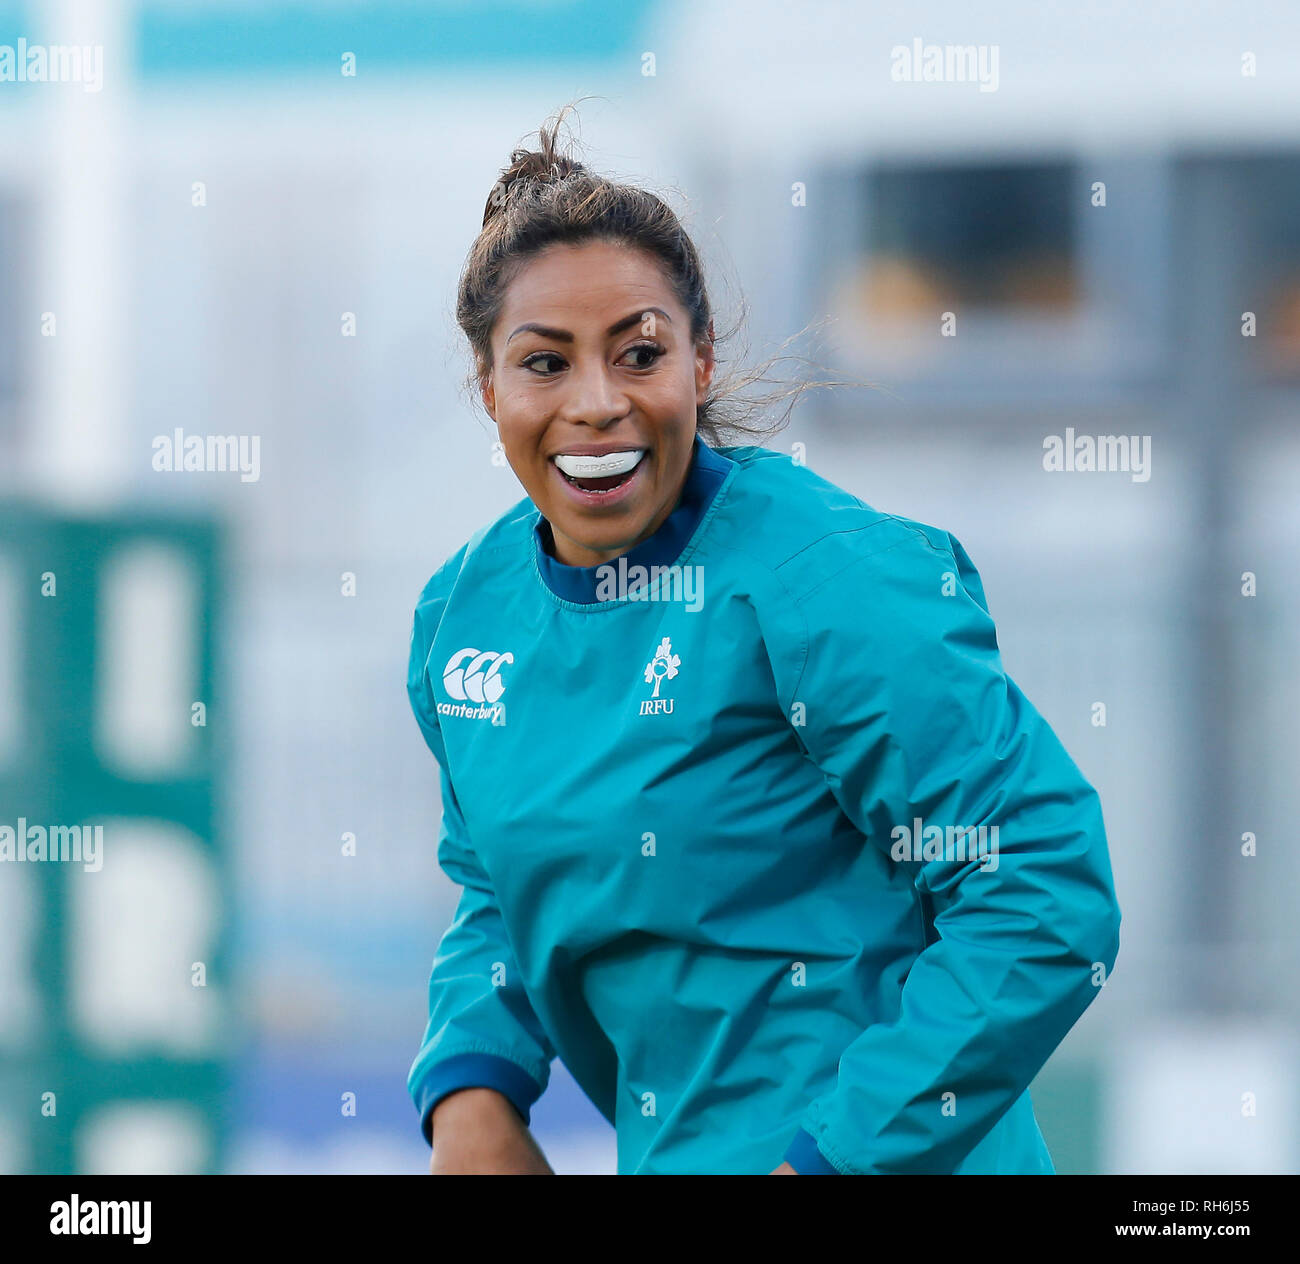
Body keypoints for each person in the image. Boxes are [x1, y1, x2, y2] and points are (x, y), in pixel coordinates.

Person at [405, 106, 1121, 1175]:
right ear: (487, 387)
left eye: (638, 352)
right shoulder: (465, 614)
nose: (595, 403)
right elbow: (502, 887)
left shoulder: (830, 580)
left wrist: (829, 1159)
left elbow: (1039, 892)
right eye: (544, 364)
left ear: (698, 363)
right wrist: (471, 1092)